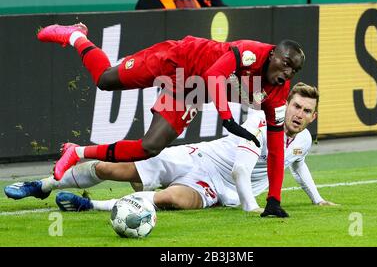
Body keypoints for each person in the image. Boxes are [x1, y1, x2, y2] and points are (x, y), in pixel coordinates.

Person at [36, 22, 305, 218]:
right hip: (178, 61)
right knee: (106, 80)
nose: (287, 71)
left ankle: (77, 151)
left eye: (294, 69)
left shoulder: (278, 96)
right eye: (285, 62)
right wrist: (227, 119)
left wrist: (274, 200)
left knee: (149, 147)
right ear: (272, 54)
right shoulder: (249, 53)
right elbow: (214, 75)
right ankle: (76, 36)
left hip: (190, 91)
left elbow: (276, 153)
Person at [4, 83, 337, 213]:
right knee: (109, 170)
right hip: (200, 157)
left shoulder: (304, 140)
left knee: (172, 201)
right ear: (286, 103)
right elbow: (241, 169)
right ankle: (43, 185)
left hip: (218, 189)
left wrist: (316, 197)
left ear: (313, 116)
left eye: (307, 111)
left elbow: (298, 161)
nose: (299, 114)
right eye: (296, 106)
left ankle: (91, 207)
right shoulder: (261, 122)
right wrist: (252, 207)